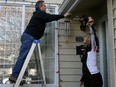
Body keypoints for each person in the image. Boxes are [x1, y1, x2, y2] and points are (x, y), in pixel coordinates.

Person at [9, 0, 71, 83]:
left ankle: (17, 77)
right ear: (40, 7)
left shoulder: (39, 15)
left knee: (24, 57)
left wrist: (44, 34)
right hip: (29, 37)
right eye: (44, 6)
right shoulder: (39, 13)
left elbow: (40, 26)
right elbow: (50, 17)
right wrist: (63, 16)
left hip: (29, 37)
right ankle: (14, 75)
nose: (45, 7)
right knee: (22, 56)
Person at [80, 17, 103, 87]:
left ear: (88, 39)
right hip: (88, 77)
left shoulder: (92, 48)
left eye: (85, 37)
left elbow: (93, 36)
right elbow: (84, 66)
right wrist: (82, 78)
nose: (83, 38)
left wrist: (91, 25)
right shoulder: (86, 50)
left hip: (94, 77)